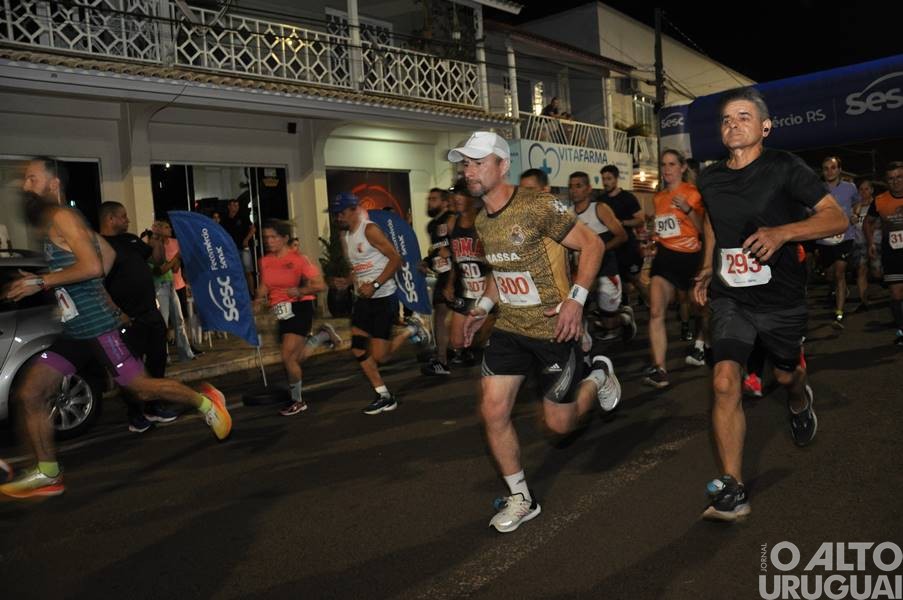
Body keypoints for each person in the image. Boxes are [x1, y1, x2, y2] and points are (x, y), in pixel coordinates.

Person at [1, 157, 231, 499]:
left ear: (53, 184)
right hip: (74, 329)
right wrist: (86, 289)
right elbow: (107, 255)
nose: (25, 186)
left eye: (32, 178)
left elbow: (94, 266)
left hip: (97, 328)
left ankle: (206, 401)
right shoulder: (55, 221)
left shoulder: (64, 217)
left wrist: (43, 281)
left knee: (141, 389)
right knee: (31, 393)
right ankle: (48, 473)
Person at [449, 131, 622, 533]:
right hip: (510, 328)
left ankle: (597, 375)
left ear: (502, 166)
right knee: (492, 410)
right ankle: (521, 497)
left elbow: (593, 245)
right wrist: (482, 309)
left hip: (553, 328)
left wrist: (576, 300)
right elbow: (500, 271)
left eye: (477, 163)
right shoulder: (481, 219)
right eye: (465, 164)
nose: (469, 171)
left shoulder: (537, 205)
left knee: (560, 426)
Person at [693, 87, 847, 521]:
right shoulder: (710, 178)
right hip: (731, 296)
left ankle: (799, 399)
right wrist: (706, 267)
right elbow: (712, 221)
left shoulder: (784, 167)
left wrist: (783, 232)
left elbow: (836, 217)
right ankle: (733, 487)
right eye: (726, 119)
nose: (733, 124)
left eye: (743, 117)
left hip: (780, 298)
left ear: (765, 127)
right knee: (724, 381)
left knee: (785, 374)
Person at [330, 192, 431, 415]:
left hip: (384, 298)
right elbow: (357, 267)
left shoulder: (370, 230)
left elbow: (396, 259)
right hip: (363, 301)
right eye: (336, 214)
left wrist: (375, 285)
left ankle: (412, 329)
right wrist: (346, 282)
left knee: (380, 357)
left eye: (341, 213)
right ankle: (384, 395)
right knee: (358, 348)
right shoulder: (345, 237)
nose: (338, 217)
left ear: (353, 210)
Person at [98, 202, 178, 433]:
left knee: (157, 361)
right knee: (131, 370)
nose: (128, 220)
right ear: (110, 219)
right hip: (127, 319)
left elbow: (157, 261)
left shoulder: (131, 240)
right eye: (123, 216)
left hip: (150, 313)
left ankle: (154, 407)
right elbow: (97, 286)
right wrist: (117, 313)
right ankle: (135, 415)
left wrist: (157, 238)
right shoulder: (99, 245)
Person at [643, 149, 708, 388]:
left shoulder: (693, 193)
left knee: (701, 309)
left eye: (672, 164)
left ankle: (701, 343)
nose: (667, 169)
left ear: (682, 168)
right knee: (656, 311)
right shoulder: (658, 198)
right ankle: (659, 368)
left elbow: (703, 230)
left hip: (692, 258)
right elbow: (664, 229)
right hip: (666, 257)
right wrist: (653, 236)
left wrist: (688, 209)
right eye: (664, 164)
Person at [255, 220, 327, 416]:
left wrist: (300, 290)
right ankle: (320, 337)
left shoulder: (298, 260)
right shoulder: (265, 261)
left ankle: (298, 401)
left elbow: (320, 284)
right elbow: (265, 284)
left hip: (300, 306)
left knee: (287, 356)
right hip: (281, 310)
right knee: (295, 358)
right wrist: (258, 300)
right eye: (266, 237)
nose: (269, 241)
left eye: (273, 237)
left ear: (285, 238)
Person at [567, 171, 636, 341]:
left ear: (589, 189)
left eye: (578, 186)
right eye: (571, 186)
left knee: (609, 322)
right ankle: (583, 340)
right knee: (577, 305)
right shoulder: (568, 214)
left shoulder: (599, 209)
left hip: (606, 268)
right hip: (583, 271)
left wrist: (598, 249)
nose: (574, 190)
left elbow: (622, 236)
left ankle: (625, 317)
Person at [445, 179, 492, 364]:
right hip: (465, 288)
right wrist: (450, 284)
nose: (457, 198)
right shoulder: (452, 223)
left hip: (487, 288)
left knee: (484, 338)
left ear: (472, 197)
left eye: (462, 194)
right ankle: (472, 353)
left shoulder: (484, 220)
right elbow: (454, 259)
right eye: (455, 194)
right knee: (456, 341)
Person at [815, 156, 858, 328]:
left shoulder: (850, 187)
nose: (829, 171)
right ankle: (840, 288)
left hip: (845, 236)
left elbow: (857, 202)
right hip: (824, 238)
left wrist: (855, 215)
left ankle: (839, 313)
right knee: (830, 275)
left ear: (839, 170)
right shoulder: (816, 189)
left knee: (840, 273)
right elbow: (809, 209)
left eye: (833, 168)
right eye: (826, 168)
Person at [866, 161, 903, 346]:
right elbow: (868, 222)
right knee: (896, 295)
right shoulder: (880, 201)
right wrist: (871, 243)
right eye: (891, 179)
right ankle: (902, 330)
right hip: (892, 255)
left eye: (899, 177)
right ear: (886, 181)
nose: (895, 182)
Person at [598, 164, 646, 307]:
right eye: (603, 179)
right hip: (612, 248)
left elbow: (640, 220)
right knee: (617, 281)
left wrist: (622, 222)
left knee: (635, 280)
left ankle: (653, 305)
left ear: (616, 179)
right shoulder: (600, 200)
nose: (606, 182)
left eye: (609, 178)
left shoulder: (628, 198)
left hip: (628, 247)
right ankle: (622, 309)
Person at [421, 188, 455, 376]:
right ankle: (447, 353)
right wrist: (427, 262)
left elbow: (460, 242)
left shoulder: (451, 219)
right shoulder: (431, 226)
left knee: (443, 315)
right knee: (442, 314)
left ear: (444, 202)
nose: (429, 202)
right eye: (429, 199)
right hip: (443, 274)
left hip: (455, 273)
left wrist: (451, 253)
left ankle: (443, 359)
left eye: (434, 199)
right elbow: (436, 249)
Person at [153, 218, 196, 362]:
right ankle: (164, 356)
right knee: (164, 324)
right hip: (160, 287)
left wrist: (178, 257)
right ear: (158, 229)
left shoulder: (173, 243)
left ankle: (186, 353)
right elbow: (161, 270)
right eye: (166, 227)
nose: (170, 230)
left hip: (171, 284)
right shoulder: (154, 247)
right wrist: (176, 257)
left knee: (179, 320)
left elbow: (175, 268)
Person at [850, 178, 878, 310]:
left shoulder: (878, 204)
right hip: (859, 243)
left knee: (877, 273)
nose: (863, 192)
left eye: (866, 189)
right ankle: (864, 301)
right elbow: (851, 223)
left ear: (872, 190)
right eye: (861, 189)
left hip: (876, 242)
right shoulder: (855, 207)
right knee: (861, 271)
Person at [220, 198, 256, 295]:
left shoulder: (243, 217)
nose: (236, 207)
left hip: (244, 248)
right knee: (234, 272)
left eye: (237, 205)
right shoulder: (224, 219)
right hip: (231, 250)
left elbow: (253, 229)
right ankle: (237, 294)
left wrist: (246, 239)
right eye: (234, 205)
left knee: (248, 272)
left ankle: (252, 294)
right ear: (229, 206)